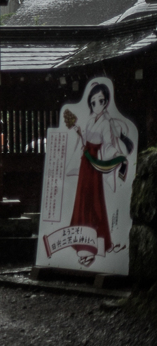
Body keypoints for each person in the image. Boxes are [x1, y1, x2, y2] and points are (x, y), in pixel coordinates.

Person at [68, 81, 135, 266]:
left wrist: (118, 159)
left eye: (100, 101)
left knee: (93, 202)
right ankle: (81, 243)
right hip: (86, 161)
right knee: (82, 200)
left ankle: (93, 246)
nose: (96, 105)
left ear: (106, 102)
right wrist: (80, 133)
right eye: (93, 102)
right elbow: (86, 142)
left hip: (95, 164)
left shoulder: (106, 123)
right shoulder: (90, 120)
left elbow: (110, 146)